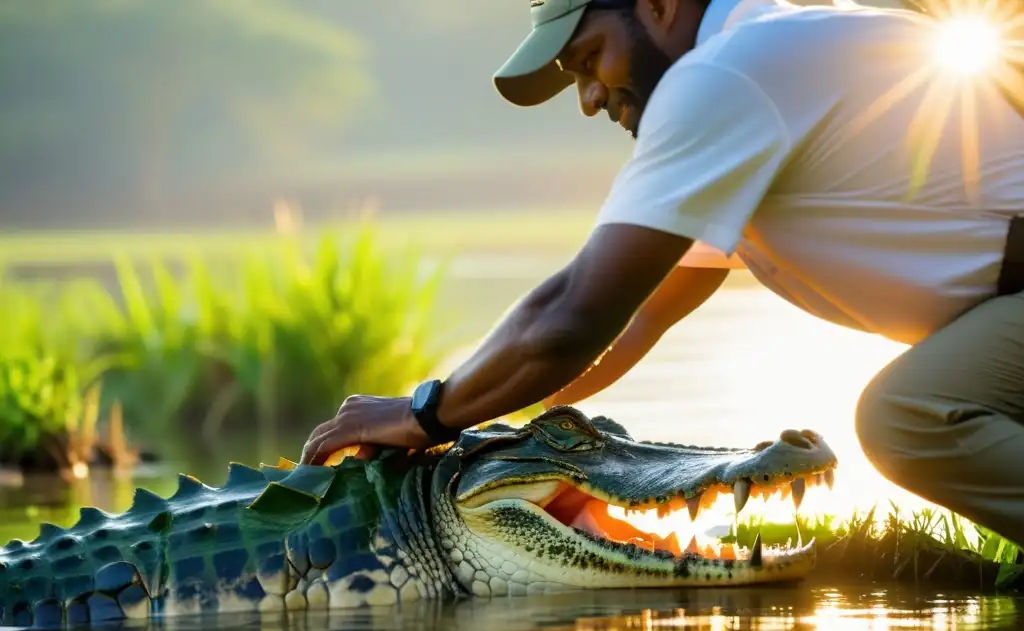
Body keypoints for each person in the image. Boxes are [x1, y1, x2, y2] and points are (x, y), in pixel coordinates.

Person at [300, 0, 1024, 543]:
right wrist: (480, 424)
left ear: (658, 6)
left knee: (906, 416)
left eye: (589, 60)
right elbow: (635, 317)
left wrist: (422, 412)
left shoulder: (725, 76)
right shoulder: (757, 59)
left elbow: (572, 313)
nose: (588, 99)